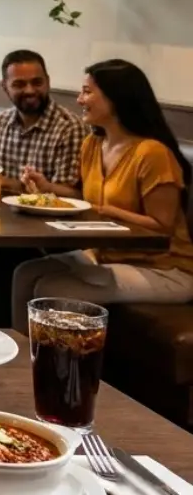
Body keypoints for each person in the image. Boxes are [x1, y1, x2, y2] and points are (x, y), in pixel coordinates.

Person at [12, 60, 193, 327]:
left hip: (165, 269)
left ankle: (60, 368)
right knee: (25, 273)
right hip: (109, 255)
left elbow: (162, 227)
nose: (79, 99)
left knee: (53, 290)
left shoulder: (152, 153)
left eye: (87, 91)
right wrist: (47, 187)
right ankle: (24, 364)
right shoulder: (93, 144)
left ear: (116, 99)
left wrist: (107, 212)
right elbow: (82, 196)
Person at [0, 49, 87, 185]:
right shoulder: (1, 121)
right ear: (5, 87)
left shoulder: (69, 127)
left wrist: (3, 182)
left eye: (37, 82)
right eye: (19, 84)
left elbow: (65, 197)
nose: (30, 90)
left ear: (48, 82)